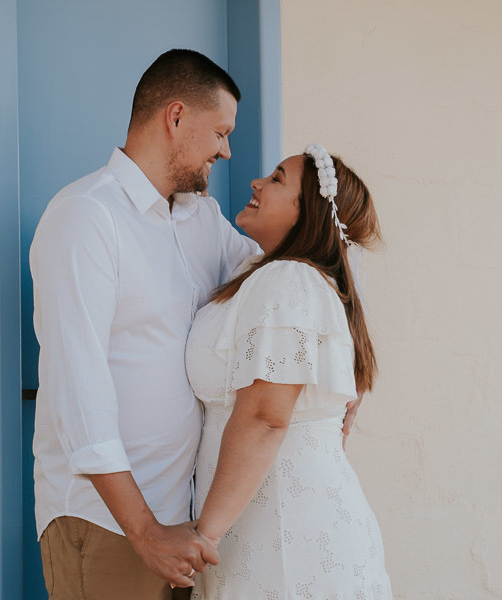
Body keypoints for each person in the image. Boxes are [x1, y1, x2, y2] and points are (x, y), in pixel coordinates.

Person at [29, 49, 259, 599]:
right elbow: (77, 388)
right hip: (107, 524)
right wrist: (144, 529)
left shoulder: (202, 219)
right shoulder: (87, 216)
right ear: (175, 117)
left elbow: (276, 281)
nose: (227, 151)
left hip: (180, 525)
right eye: (220, 133)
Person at [184, 143, 393, 598]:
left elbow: (264, 417)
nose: (257, 183)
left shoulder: (288, 282)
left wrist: (204, 536)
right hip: (260, 521)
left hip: (286, 531)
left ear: (308, 214)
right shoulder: (264, 272)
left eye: (277, 179)